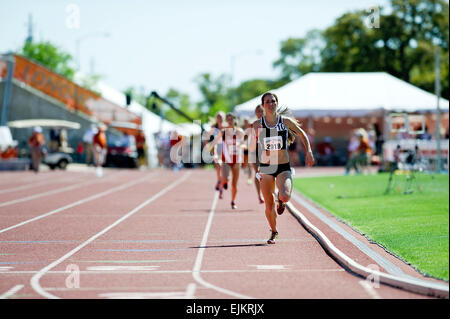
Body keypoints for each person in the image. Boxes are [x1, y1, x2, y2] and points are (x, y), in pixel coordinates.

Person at [250, 92, 314, 244]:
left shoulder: (285, 121)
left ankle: (282, 201)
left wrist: (309, 152)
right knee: (268, 204)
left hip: (283, 166)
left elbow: (302, 134)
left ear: (277, 103)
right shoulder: (257, 125)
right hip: (266, 167)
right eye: (267, 102)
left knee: (285, 196)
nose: (270, 104)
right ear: (263, 105)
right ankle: (273, 231)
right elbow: (255, 146)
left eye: (273, 101)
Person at [211, 112, 245, 209]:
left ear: (235, 120)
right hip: (226, 159)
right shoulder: (224, 131)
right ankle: (224, 182)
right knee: (226, 178)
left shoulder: (240, 131)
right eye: (228, 119)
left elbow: (244, 144)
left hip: (237, 160)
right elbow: (215, 143)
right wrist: (216, 154)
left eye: (231, 119)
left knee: (234, 184)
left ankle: (233, 201)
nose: (229, 121)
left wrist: (240, 146)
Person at [248, 104, 265, 204]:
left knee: (266, 172)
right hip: (254, 151)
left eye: (261, 111)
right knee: (257, 172)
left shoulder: (268, 123)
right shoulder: (253, 124)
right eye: (258, 111)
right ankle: (259, 195)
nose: (260, 113)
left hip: (265, 151)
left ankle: (267, 191)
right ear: (255, 113)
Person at [208, 111, 225, 191]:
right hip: (216, 149)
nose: (219, 118)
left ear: (223, 118)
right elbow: (208, 139)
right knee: (219, 166)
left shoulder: (227, 127)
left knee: (223, 168)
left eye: (221, 117)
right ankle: (219, 180)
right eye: (218, 117)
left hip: (225, 150)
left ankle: (220, 181)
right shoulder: (213, 128)